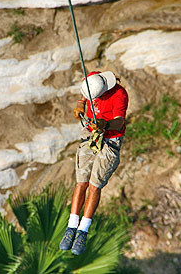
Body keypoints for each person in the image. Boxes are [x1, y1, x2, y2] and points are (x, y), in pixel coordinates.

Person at [59, 70, 128, 255]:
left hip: (110, 138)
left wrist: (105, 125)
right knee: (81, 183)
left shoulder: (119, 94)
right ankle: (71, 227)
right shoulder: (94, 79)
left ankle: (83, 230)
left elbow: (120, 122)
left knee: (94, 186)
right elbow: (85, 92)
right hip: (90, 133)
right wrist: (81, 103)